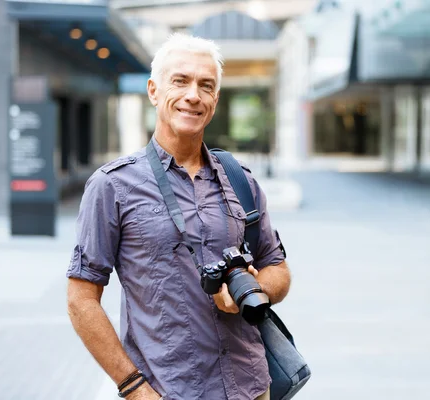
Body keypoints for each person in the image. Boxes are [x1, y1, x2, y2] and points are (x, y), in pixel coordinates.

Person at [66, 33, 291, 400]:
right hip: (166, 390)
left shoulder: (240, 180)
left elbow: (277, 267)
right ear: (154, 91)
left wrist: (253, 288)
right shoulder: (112, 185)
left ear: (215, 100)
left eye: (206, 85)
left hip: (250, 387)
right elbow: (81, 300)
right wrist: (133, 387)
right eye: (180, 81)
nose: (193, 95)